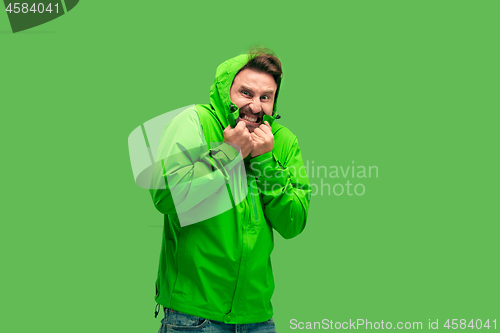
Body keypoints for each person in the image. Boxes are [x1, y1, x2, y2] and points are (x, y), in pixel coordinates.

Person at [149, 47, 311, 332]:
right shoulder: (195, 122)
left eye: (266, 97)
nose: (256, 107)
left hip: (258, 319)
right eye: (246, 93)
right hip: (193, 318)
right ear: (226, 92)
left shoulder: (282, 142)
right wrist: (228, 153)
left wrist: (264, 161)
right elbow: (166, 197)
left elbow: (294, 222)